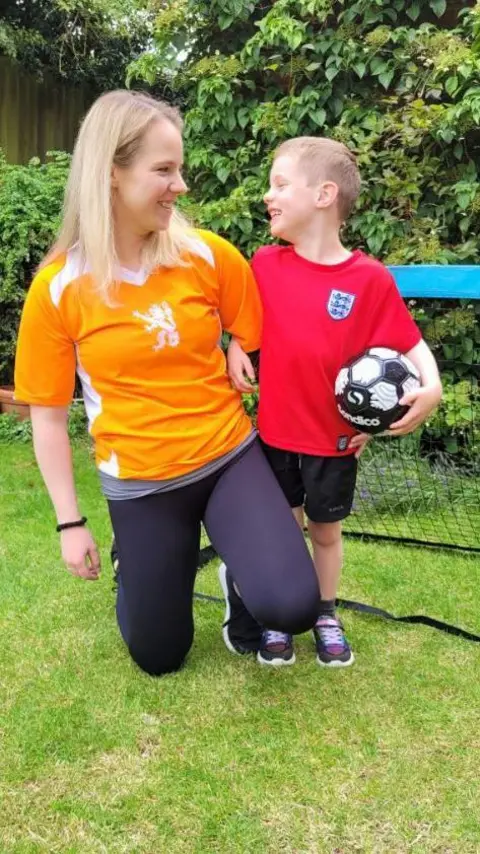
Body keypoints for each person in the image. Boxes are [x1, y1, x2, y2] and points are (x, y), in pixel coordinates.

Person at [14, 92, 321, 677]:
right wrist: (70, 523)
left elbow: (252, 315)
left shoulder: (207, 255)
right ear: (111, 172)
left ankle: (242, 573)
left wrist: (238, 344)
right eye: (163, 170)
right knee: (159, 656)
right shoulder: (58, 289)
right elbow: (48, 417)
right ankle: (140, 563)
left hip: (226, 456)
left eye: (179, 168)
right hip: (143, 483)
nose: (180, 185)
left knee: (291, 604)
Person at [225, 136, 442, 668]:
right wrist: (235, 346)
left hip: (337, 441)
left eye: (279, 184)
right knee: (284, 528)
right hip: (274, 434)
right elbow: (245, 325)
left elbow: (413, 348)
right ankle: (279, 619)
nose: (266, 196)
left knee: (325, 531)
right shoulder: (265, 265)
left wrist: (431, 388)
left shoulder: (368, 280)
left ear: (323, 194)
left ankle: (324, 611)